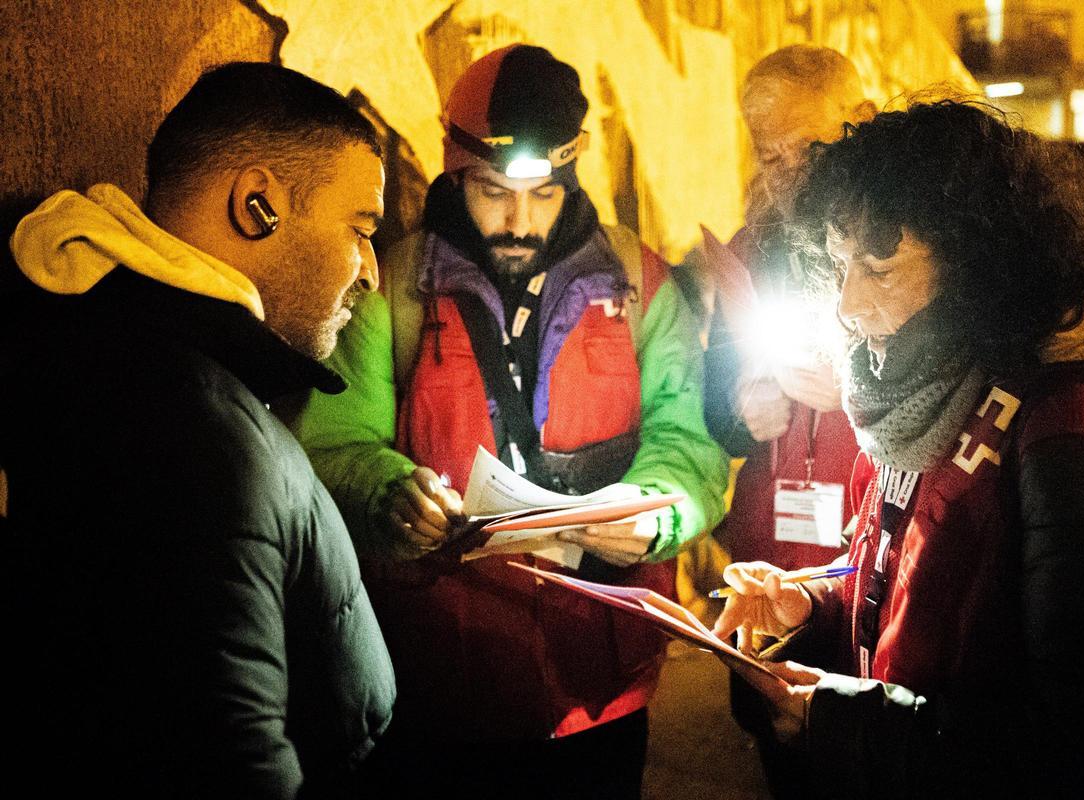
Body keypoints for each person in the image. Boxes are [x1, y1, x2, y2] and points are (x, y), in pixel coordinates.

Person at [713, 99, 1084, 798]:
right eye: (839, 264)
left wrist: (850, 727)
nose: (847, 303)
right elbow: (928, 581)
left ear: (980, 268)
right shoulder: (930, 393)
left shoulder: (1081, 440)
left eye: (880, 269)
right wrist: (816, 604)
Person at [289, 45, 726, 798]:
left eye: (545, 194)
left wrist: (653, 513)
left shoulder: (641, 282)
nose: (520, 221)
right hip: (441, 676)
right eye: (493, 191)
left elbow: (689, 437)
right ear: (455, 169)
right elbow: (332, 440)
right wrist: (390, 492)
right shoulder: (394, 286)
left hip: (602, 682)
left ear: (572, 171)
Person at [1, 62, 396, 799]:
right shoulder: (192, 425)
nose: (371, 271)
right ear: (257, 205)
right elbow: (223, 764)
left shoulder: (132, 350)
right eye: (361, 228)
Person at [701, 45, 874, 795]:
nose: (792, 171)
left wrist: (859, 394)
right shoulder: (749, 251)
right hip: (774, 551)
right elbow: (713, 401)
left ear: (861, 123)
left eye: (811, 147)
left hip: (868, 558)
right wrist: (743, 408)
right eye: (771, 155)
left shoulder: (902, 247)